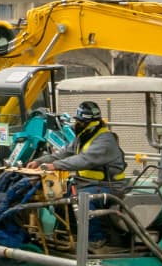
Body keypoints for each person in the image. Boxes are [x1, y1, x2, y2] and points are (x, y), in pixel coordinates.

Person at [49, 100, 125, 236]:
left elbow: (84, 160)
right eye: (78, 121)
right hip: (85, 183)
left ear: (92, 123)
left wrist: (55, 166)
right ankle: (72, 233)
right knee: (57, 194)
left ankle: (95, 239)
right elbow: (63, 153)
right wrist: (38, 162)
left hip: (109, 186)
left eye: (81, 122)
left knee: (82, 199)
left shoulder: (105, 140)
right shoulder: (82, 137)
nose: (77, 124)